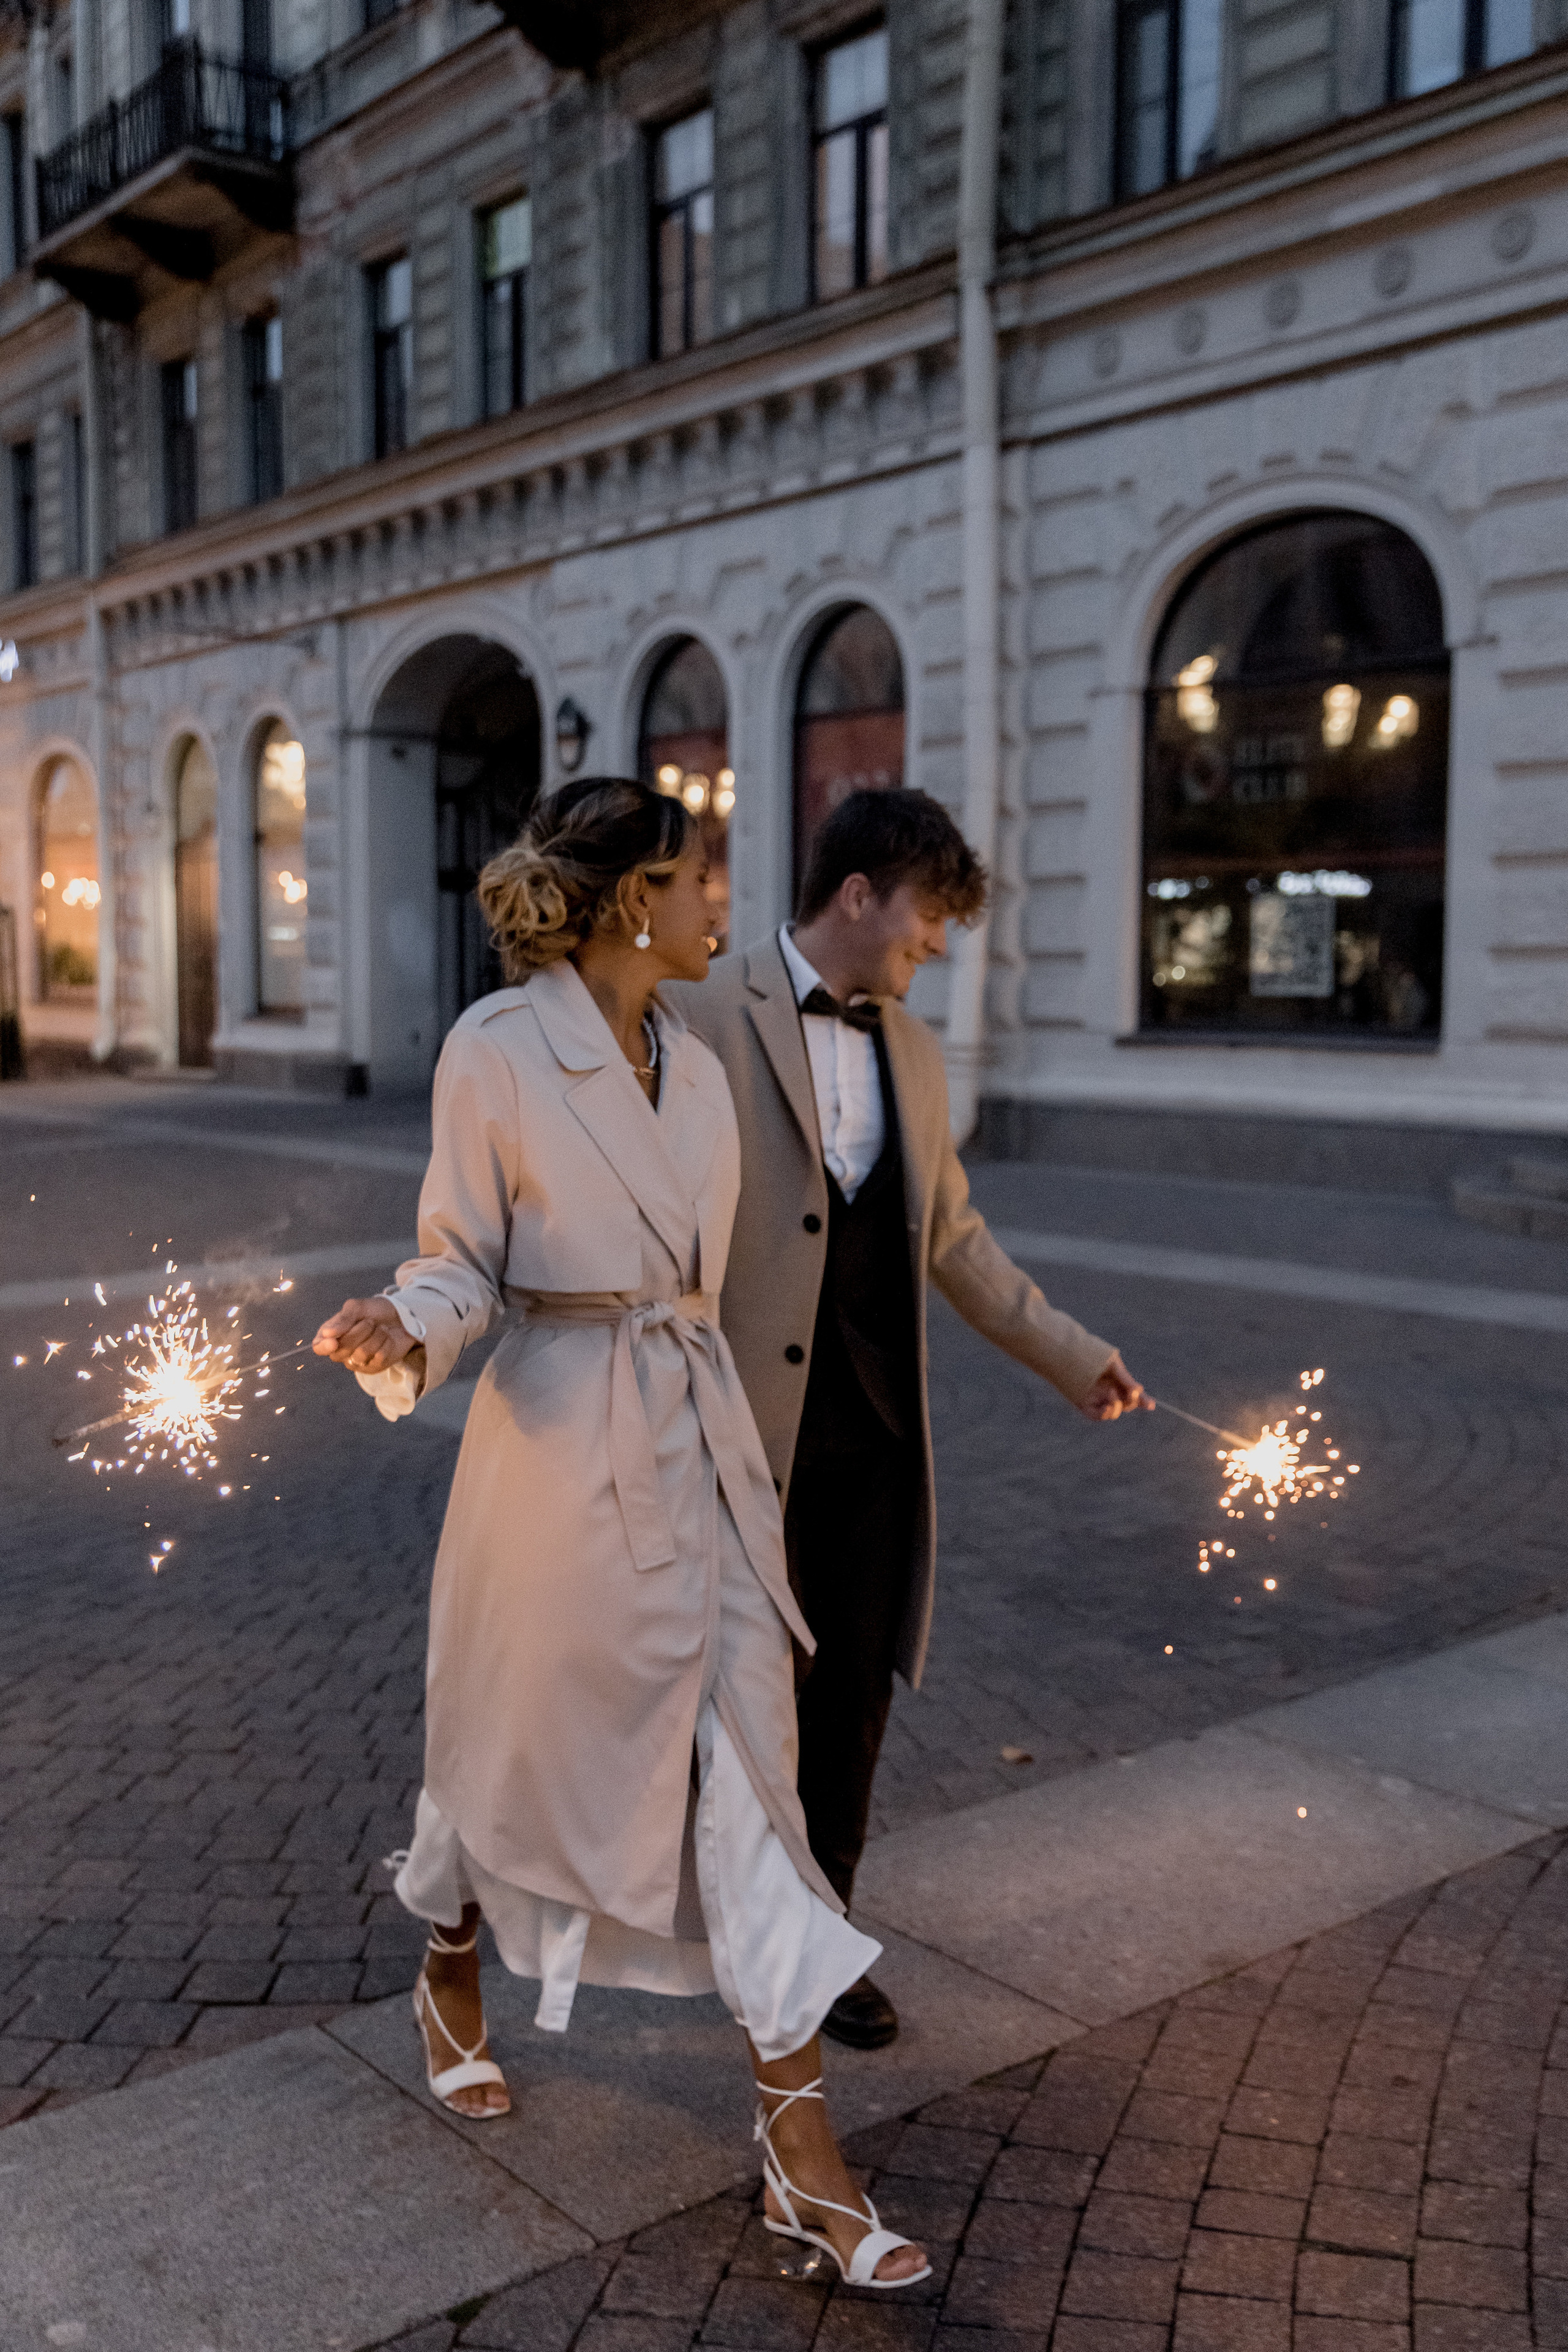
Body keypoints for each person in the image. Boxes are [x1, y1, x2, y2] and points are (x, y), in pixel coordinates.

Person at [312, 778, 930, 2290]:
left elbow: (725, 1273)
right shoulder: (495, 1049)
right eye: (690, 872)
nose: (716, 894)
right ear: (624, 900)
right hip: (558, 1449)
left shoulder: (701, 1067)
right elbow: (464, 1257)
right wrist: (403, 1321)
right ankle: (447, 1957)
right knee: (514, 1733)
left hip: (697, 1444)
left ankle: (798, 2146)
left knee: (755, 1777)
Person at [666, 788, 1149, 2052]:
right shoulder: (694, 1015)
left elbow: (954, 1240)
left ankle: (817, 1942)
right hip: (736, 1435)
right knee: (742, 1702)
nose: (934, 946)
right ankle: (715, 1918)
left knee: (849, 1709)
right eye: (928, 918)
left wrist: (1072, 1356)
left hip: (876, 1445)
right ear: (858, 895)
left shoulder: (917, 1055)